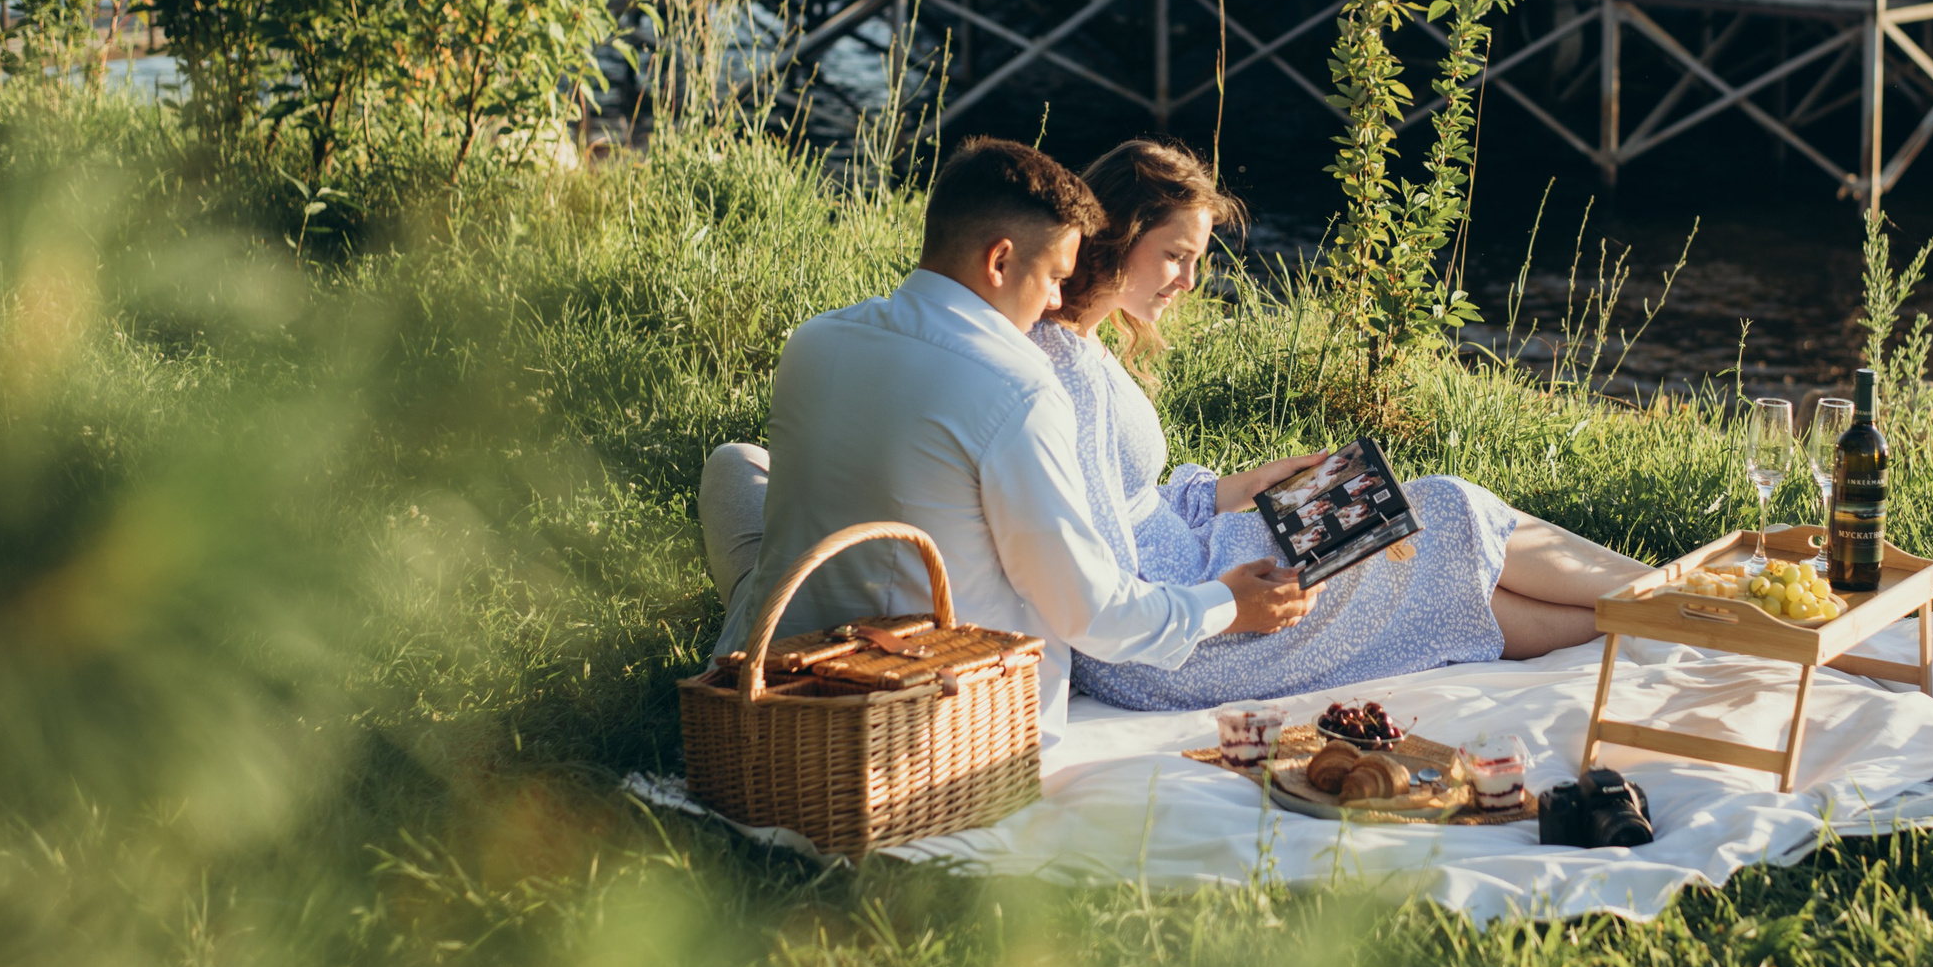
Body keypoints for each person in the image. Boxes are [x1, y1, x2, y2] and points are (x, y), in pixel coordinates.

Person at [702, 137, 1312, 741]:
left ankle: (756, 610)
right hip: (923, 701)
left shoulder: (815, 339)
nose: (1057, 299)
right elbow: (1095, 613)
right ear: (999, 261)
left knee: (736, 463)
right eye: (1054, 276)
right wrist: (1225, 604)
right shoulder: (1020, 388)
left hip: (779, 660)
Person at [1034, 138, 1653, 713]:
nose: (1189, 282)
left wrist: (1245, 486)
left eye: (1196, 261)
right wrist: (1226, 604)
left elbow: (1126, 501)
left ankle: (1669, 608)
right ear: (1118, 233)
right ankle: (1675, 601)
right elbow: (1099, 575)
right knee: (1445, 510)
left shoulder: (1082, 347)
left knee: (1425, 539)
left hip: (1187, 582)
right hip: (1177, 634)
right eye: (1175, 256)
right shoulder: (1063, 373)